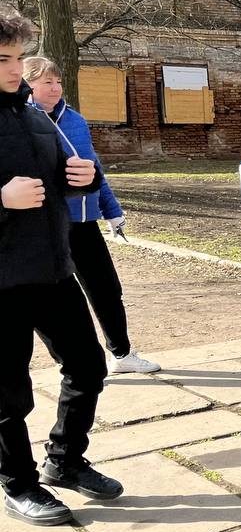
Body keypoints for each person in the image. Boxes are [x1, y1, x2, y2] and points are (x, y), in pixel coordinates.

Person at [0, 9, 122, 525]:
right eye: (4, 59)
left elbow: (62, 178)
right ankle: (18, 484)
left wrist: (85, 178)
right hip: (2, 279)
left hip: (51, 265)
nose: (15, 68)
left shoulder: (31, 113)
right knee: (8, 391)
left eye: (20, 56)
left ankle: (65, 460)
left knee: (89, 365)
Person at [24, 57, 161, 376]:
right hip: (46, 227)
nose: (56, 88)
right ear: (28, 85)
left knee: (106, 288)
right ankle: (69, 363)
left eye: (58, 82)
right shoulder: (21, 123)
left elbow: (94, 168)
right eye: (47, 82)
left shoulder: (75, 119)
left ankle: (122, 354)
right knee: (52, 302)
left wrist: (112, 212)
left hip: (84, 223)